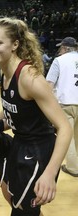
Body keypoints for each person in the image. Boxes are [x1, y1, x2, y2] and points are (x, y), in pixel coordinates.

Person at [0, 17, 72, 216]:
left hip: (39, 150)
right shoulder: (4, 72)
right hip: (20, 144)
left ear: (15, 44)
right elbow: (11, 114)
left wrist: (50, 173)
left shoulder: (29, 78)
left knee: (22, 210)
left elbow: (64, 127)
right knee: (11, 194)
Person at [46, 37, 78, 177]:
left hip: (66, 104)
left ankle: (73, 168)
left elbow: (49, 85)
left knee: (68, 137)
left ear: (65, 48)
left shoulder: (59, 60)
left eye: (61, 47)